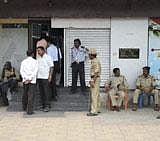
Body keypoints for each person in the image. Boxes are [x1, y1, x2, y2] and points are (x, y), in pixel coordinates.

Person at [20, 49, 38, 115]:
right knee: (31, 95)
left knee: (25, 94)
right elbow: (35, 72)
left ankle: (24, 107)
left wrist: (26, 78)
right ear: (33, 54)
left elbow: (21, 71)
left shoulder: (23, 62)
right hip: (32, 81)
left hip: (25, 81)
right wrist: (30, 79)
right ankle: (29, 110)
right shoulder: (35, 62)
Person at [37, 46, 54, 112]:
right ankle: (43, 105)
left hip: (46, 77)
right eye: (37, 51)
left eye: (39, 51)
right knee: (41, 92)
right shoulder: (38, 59)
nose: (38, 52)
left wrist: (50, 76)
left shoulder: (48, 57)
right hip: (39, 77)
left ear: (43, 51)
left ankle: (47, 105)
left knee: (46, 92)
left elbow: (51, 67)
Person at [87, 48, 101, 116]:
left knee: (94, 95)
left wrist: (93, 81)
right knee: (97, 94)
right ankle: (97, 109)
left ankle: (94, 111)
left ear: (92, 55)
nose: (88, 56)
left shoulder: (94, 61)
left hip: (95, 78)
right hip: (97, 79)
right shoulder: (95, 60)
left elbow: (96, 72)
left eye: (89, 55)